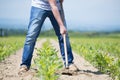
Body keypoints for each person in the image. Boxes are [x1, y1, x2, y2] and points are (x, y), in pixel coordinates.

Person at [19, 0, 78, 73]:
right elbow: (53, 6)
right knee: (31, 36)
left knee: (64, 35)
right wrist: (61, 25)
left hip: (56, 7)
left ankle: (69, 63)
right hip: (39, 6)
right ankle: (25, 64)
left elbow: (60, 3)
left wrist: (62, 16)